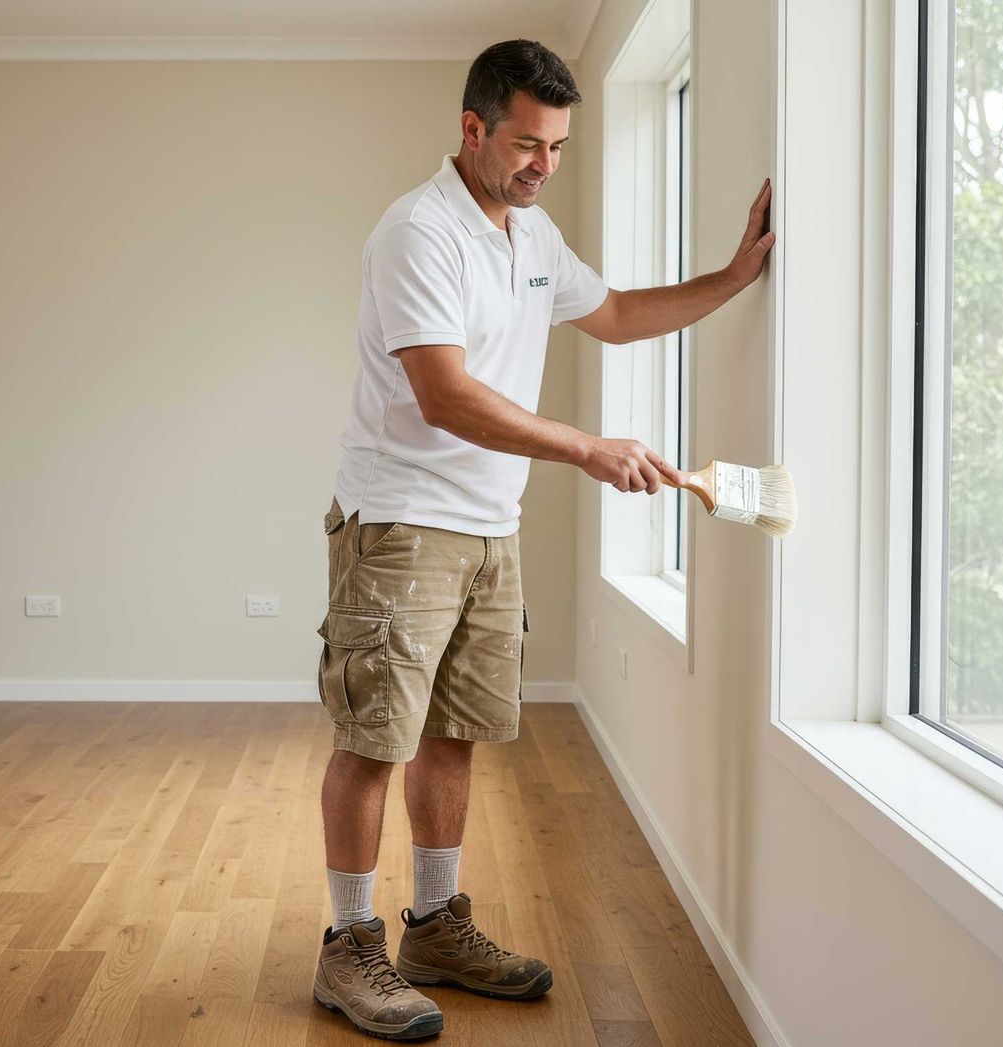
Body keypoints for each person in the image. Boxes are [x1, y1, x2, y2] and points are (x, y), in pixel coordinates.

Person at [312, 38, 774, 1040]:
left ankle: (434, 923)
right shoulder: (418, 233)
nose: (542, 166)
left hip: (490, 526)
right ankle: (349, 946)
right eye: (527, 143)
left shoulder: (530, 233)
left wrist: (736, 279)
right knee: (373, 738)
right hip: (402, 523)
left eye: (558, 147)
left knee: (455, 732)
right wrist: (587, 448)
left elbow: (612, 315)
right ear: (472, 128)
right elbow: (443, 395)